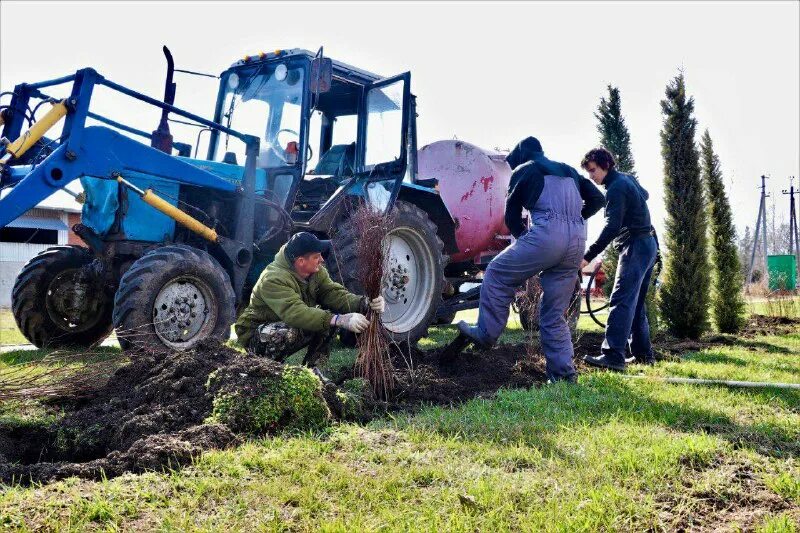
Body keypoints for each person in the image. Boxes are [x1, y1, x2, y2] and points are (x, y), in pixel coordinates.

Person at [445, 136, 605, 383]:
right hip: (576, 242)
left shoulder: (524, 170)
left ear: (521, 157)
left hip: (547, 237)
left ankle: (486, 333)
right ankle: (563, 376)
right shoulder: (569, 171)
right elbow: (598, 200)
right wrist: (574, 217)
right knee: (553, 315)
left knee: (497, 272)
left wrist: (526, 239)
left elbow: (510, 217)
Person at [235, 232, 385, 367]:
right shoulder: (273, 278)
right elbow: (295, 313)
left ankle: (314, 369)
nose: (321, 259)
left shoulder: (316, 272)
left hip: (285, 323)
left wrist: (364, 302)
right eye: (316, 257)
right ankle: (266, 368)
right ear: (301, 261)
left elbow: (333, 294)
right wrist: (339, 319)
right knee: (293, 330)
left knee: (328, 320)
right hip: (255, 334)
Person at [580, 147, 657, 371]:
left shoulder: (615, 188)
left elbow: (611, 226)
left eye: (593, 170)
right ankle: (644, 355)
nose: (591, 176)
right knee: (636, 302)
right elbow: (646, 195)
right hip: (648, 244)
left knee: (621, 300)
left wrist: (588, 256)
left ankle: (613, 355)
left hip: (634, 246)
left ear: (606, 165)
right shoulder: (627, 179)